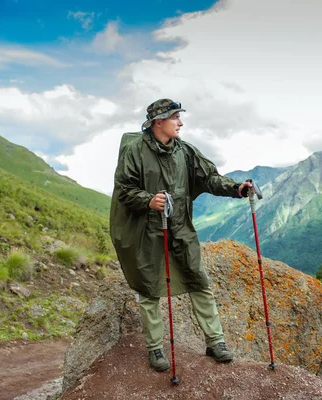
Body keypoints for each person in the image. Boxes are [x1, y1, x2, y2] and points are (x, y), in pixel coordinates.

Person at [109, 99, 253, 372]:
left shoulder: (184, 151)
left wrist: (237, 188)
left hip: (180, 227)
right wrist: (148, 200)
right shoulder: (135, 151)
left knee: (198, 280)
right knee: (148, 287)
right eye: (175, 117)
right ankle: (155, 348)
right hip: (146, 230)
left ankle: (215, 342)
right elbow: (124, 188)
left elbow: (209, 177)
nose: (181, 122)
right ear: (158, 122)